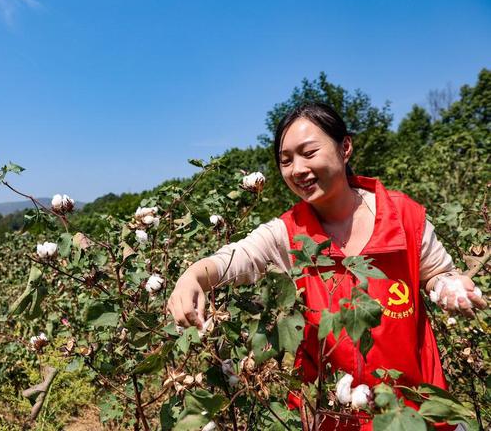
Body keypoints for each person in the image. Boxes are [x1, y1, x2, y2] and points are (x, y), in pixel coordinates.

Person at [166, 102, 486, 430]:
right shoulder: (289, 233)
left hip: (417, 410)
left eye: (309, 152)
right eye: (286, 160)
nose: (297, 169)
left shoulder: (404, 217)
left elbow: (436, 273)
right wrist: (194, 276)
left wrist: (449, 285)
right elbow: (236, 258)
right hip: (333, 417)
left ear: (345, 147)